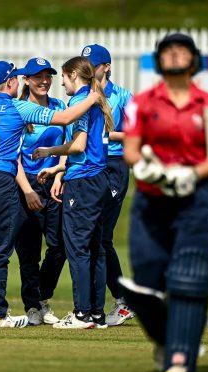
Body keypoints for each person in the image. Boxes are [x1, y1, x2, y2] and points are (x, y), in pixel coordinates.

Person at [120, 32, 208, 372]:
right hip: (152, 199)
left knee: (187, 277)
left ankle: (180, 359)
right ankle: (175, 336)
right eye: (167, 51)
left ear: (193, 59)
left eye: (181, 50)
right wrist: (147, 169)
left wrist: (193, 173)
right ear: (159, 60)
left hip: (196, 200)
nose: (173, 55)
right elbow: (131, 150)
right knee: (145, 281)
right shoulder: (144, 102)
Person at [0, 60, 100, 328]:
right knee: (1, 251)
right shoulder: (17, 106)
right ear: (12, 83)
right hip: (1, 182)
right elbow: (67, 119)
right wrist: (92, 98)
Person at [32, 56, 114, 329]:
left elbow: (78, 146)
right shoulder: (99, 101)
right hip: (101, 178)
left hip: (84, 181)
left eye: (64, 78)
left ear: (73, 76)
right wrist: (58, 168)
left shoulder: (79, 102)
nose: (62, 84)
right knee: (97, 249)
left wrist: (49, 152)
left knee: (77, 248)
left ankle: (81, 314)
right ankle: (97, 314)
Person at [81, 44, 135, 327]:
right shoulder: (84, 94)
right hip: (87, 168)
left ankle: (120, 301)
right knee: (92, 237)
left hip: (113, 167)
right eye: (86, 64)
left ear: (107, 66)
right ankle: (93, 305)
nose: (90, 69)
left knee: (100, 236)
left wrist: (107, 134)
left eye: (95, 64)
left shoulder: (123, 96)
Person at [14, 57, 69, 326]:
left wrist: (60, 172)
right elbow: (14, 156)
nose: (44, 81)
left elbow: (70, 145)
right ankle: (33, 307)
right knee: (29, 251)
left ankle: (42, 296)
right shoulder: (18, 110)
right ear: (26, 79)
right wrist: (26, 190)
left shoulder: (60, 107)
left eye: (48, 76)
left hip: (55, 184)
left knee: (59, 246)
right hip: (26, 186)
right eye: (38, 76)